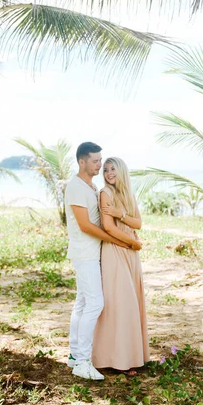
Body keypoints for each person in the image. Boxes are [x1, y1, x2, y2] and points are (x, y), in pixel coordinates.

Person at [65, 142, 142, 381]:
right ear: (82, 162)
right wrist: (121, 241)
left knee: (82, 303)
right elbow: (85, 225)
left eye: (102, 161)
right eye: (96, 161)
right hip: (85, 253)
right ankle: (84, 362)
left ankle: (74, 355)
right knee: (95, 304)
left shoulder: (91, 186)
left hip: (94, 252)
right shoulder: (76, 186)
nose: (100, 165)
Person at [92, 157, 150, 374]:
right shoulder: (104, 193)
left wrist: (121, 214)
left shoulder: (128, 194)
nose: (108, 173)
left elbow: (138, 223)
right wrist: (131, 242)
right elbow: (108, 227)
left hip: (130, 253)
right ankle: (117, 360)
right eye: (105, 169)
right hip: (116, 249)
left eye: (112, 168)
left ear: (121, 170)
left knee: (132, 302)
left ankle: (132, 356)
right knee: (120, 303)